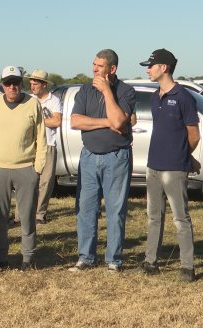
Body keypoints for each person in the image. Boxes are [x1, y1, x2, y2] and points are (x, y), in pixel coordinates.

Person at [69, 49, 135, 273]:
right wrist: (108, 122)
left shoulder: (126, 91)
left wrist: (107, 91)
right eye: (93, 65)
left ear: (112, 69)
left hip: (116, 157)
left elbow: (120, 123)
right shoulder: (85, 91)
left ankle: (113, 260)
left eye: (99, 66)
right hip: (88, 156)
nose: (94, 69)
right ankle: (85, 257)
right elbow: (76, 121)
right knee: (85, 208)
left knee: (115, 211)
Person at [138, 49, 200, 282]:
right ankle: (150, 261)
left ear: (164, 68)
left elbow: (193, 135)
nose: (147, 69)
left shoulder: (184, 97)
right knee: (154, 215)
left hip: (174, 168)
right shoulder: (155, 97)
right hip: (153, 165)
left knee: (180, 218)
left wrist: (184, 155)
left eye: (151, 65)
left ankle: (187, 267)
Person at [0, 65, 46, 271]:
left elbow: (41, 138)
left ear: (22, 84)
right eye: (8, 83)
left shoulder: (32, 104)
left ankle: (28, 258)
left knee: (27, 217)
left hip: (25, 168)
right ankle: (1, 258)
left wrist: (37, 169)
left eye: (16, 83)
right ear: (2, 85)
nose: (12, 87)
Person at [14, 69, 62, 225]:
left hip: (48, 144)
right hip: (30, 145)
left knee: (45, 181)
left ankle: (39, 214)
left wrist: (37, 121)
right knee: (25, 181)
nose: (32, 86)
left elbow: (56, 121)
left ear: (44, 85)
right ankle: (19, 215)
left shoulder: (53, 100)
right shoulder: (27, 99)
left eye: (36, 83)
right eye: (31, 83)